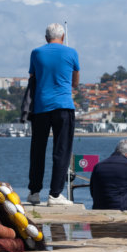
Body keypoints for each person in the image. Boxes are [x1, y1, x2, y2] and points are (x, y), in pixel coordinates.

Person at [26, 23, 80, 206]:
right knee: (62, 151)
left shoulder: (36, 53)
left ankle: (34, 192)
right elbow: (75, 82)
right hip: (63, 106)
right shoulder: (72, 53)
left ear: (45, 37)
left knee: (37, 150)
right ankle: (55, 195)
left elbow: (33, 78)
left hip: (41, 107)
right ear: (63, 37)